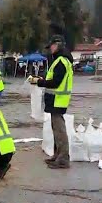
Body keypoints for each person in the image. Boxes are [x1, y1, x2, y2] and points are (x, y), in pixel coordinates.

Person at [32, 35, 74, 169]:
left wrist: (39, 82)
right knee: (56, 129)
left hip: (58, 100)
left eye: (51, 46)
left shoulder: (61, 61)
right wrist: (41, 79)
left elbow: (55, 82)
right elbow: (52, 78)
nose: (50, 49)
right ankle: (57, 155)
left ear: (58, 45)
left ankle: (63, 159)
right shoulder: (59, 60)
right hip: (55, 101)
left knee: (60, 130)